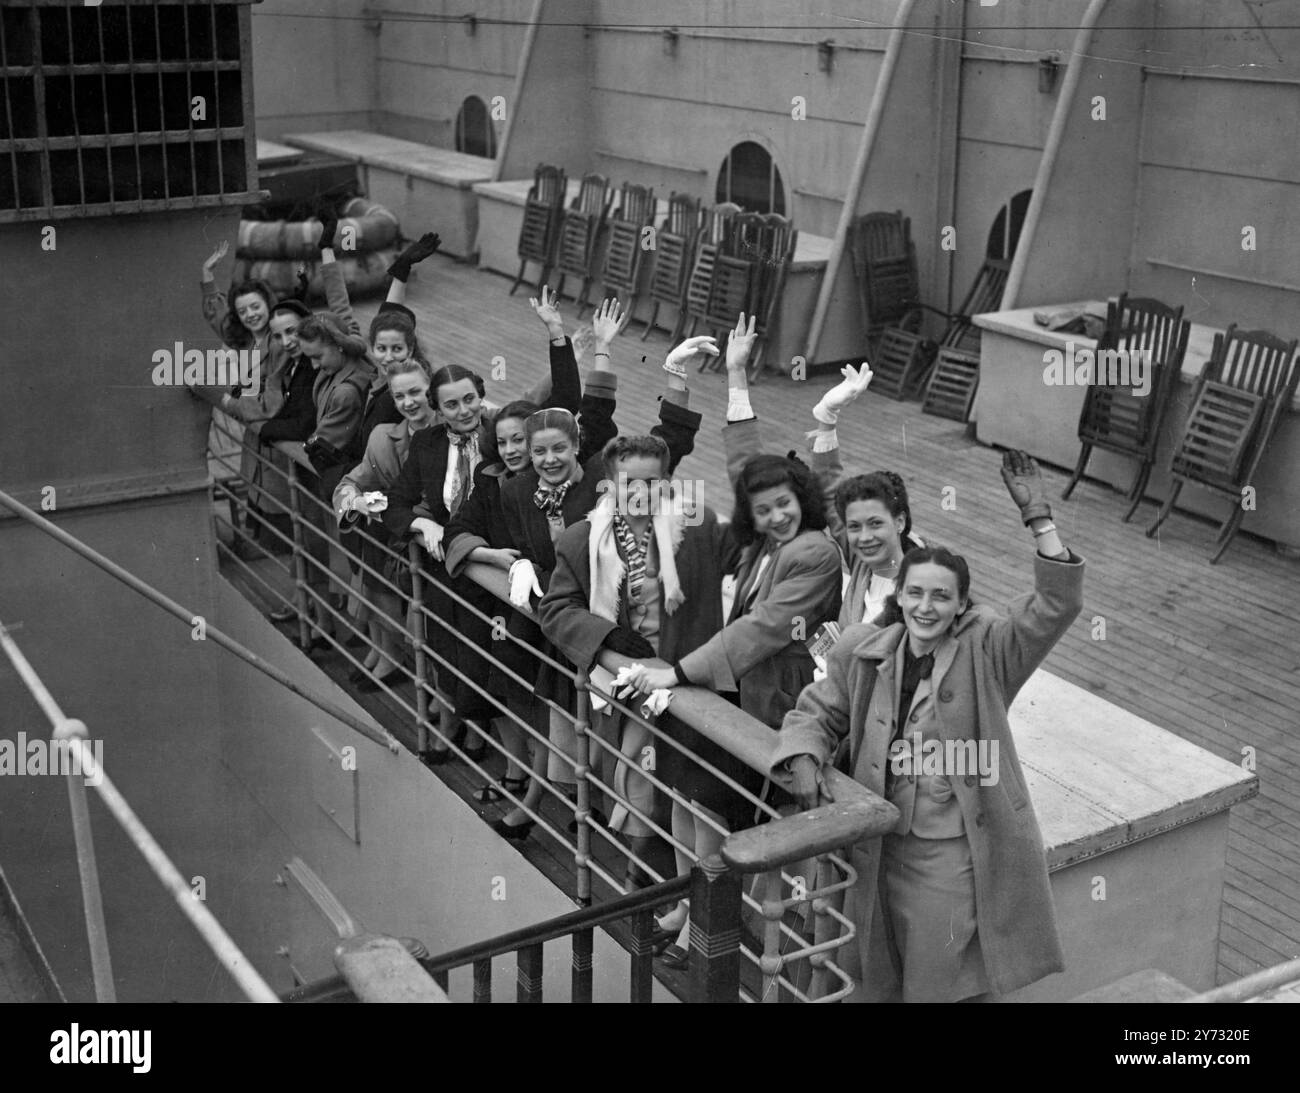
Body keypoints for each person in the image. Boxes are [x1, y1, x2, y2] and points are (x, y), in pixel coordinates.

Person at [768, 450, 1084, 1002]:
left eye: (941, 596)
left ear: (962, 604)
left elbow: (1055, 607)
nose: (926, 607)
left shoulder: (988, 651)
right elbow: (817, 710)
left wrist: (1040, 520)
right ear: (899, 598)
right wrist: (803, 752)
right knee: (871, 975)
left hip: (947, 854)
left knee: (937, 982)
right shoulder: (865, 650)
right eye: (915, 593)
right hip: (876, 846)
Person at [618, 314, 844, 965]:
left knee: (738, 815)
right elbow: (747, 464)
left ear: (803, 499)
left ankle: (730, 931)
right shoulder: (765, 536)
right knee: (701, 800)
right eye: (764, 507)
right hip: (733, 689)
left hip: (774, 698)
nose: (775, 514)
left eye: (785, 504)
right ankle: (696, 910)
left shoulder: (812, 555)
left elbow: (765, 627)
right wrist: (739, 375)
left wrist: (679, 670)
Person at [332, 355, 438, 691]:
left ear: (431, 389)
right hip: (393, 547)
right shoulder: (382, 437)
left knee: (435, 638)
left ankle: (439, 701)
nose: (408, 402)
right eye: (399, 397)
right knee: (396, 621)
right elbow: (348, 485)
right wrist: (359, 501)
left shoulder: (453, 432)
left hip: (433, 555)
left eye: (416, 392)